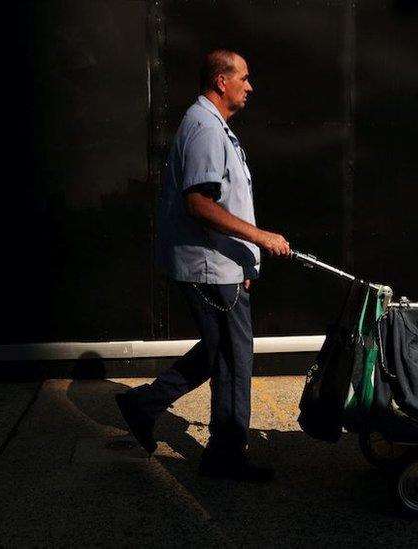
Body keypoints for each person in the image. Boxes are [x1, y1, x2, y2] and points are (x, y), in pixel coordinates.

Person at [115, 49, 291, 482]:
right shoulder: (206, 130)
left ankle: (144, 405)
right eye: (244, 78)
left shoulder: (212, 127)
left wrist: (243, 265)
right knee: (235, 359)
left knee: (221, 351)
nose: (250, 86)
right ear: (221, 81)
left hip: (221, 266)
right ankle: (225, 457)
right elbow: (199, 204)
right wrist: (260, 239)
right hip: (210, 268)